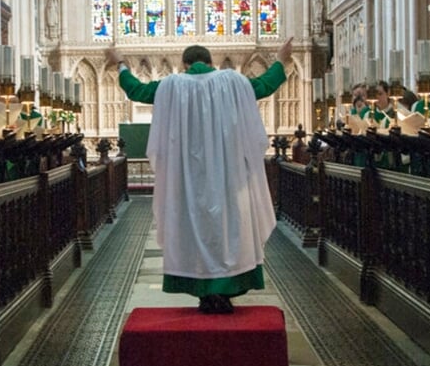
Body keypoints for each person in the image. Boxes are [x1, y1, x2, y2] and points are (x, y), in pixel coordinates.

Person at [106, 38, 293, 314]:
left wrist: (120, 63)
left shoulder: (171, 85)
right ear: (211, 63)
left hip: (187, 178)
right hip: (228, 175)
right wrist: (281, 59)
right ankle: (225, 290)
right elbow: (264, 85)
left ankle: (203, 292)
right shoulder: (233, 82)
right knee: (228, 229)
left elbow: (137, 91)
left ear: (185, 64)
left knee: (193, 230)